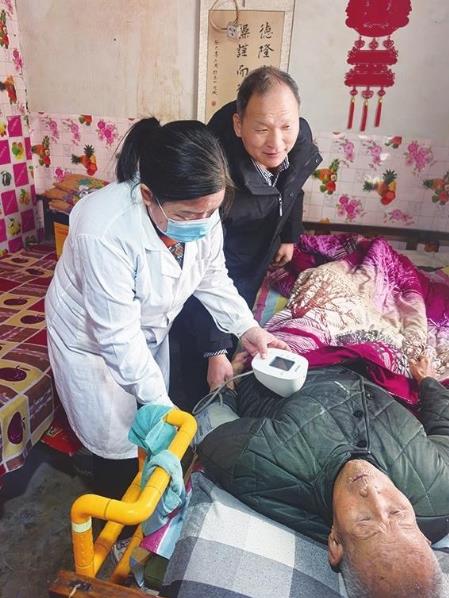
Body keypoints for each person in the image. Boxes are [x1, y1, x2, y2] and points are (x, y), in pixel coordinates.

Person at [45, 117, 286, 497]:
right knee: (115, 440)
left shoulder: (202, 210)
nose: (202, 223)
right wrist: (161, 403)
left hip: (143, 329)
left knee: (148, 410)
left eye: (210, 212)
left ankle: (137, 480)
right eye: (188, 215)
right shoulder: (104, 231)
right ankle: (112, 499)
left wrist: (247, 328)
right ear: (147, 196)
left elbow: (211, 276)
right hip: (91, 342)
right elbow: (117, 336)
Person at [198, 356, 449, 597]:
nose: (373, 492)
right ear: (424, 537)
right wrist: (427, 381)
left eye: (364, 521)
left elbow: (211, 427)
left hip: (289, 362)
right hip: (368, 365)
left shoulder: (261, 466)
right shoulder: (440, 489)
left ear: (335, 543)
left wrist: (224, 388)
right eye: (398, 514)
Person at [172, 66, 322, 408]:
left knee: (242, 313)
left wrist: (289, 236)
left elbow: (294, 188)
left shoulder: (298, 138)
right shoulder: (215, 170)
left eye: (287, 127)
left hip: (260, 248)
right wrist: (214, 349)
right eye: (262, 129)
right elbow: (203, 271)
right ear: (238, 125)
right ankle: (190, 404)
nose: (276, 143)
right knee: (199, 350)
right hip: (223, 255)